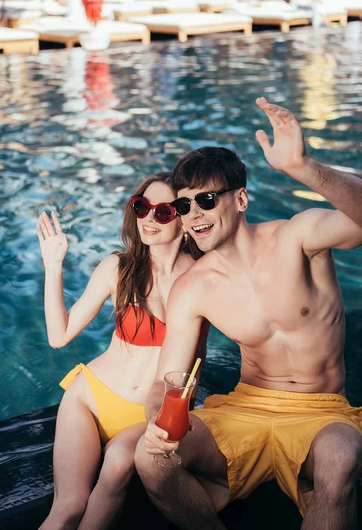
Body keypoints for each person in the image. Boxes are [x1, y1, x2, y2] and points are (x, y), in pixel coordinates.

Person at [135, 98, 362, 530]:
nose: (194, 215)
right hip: (244, 411)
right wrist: (157, 426)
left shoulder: (297, 237)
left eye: (205, 200)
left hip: (321, 410)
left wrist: (302, 167)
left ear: (240, 198)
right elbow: (168, 383)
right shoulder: (192, 287)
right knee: (150, 461)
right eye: (183, 207)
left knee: (341, 456)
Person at [36, 172, 207, 530]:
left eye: (162, 212)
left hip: (149, 414)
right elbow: (59, 335)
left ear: (184, 218)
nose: (148, 219)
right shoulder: (118, 268)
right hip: (90, 397)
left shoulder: (204, 279)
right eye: (141, 208)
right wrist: (53, 266)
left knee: (116, 464)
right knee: (67, 507)